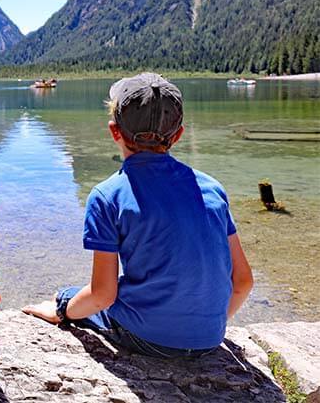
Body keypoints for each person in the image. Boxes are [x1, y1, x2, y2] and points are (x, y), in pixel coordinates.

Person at [24, 73, 253, 358]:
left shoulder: (108, 196)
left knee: (70, 295)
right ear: (179, 135)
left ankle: (58, 306)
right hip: (210, 339)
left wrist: (61, 311)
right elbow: (243, 281)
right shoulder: (212, 188)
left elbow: (102, 295)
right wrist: (208, 326)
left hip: (148, 339)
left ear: (114, 131)